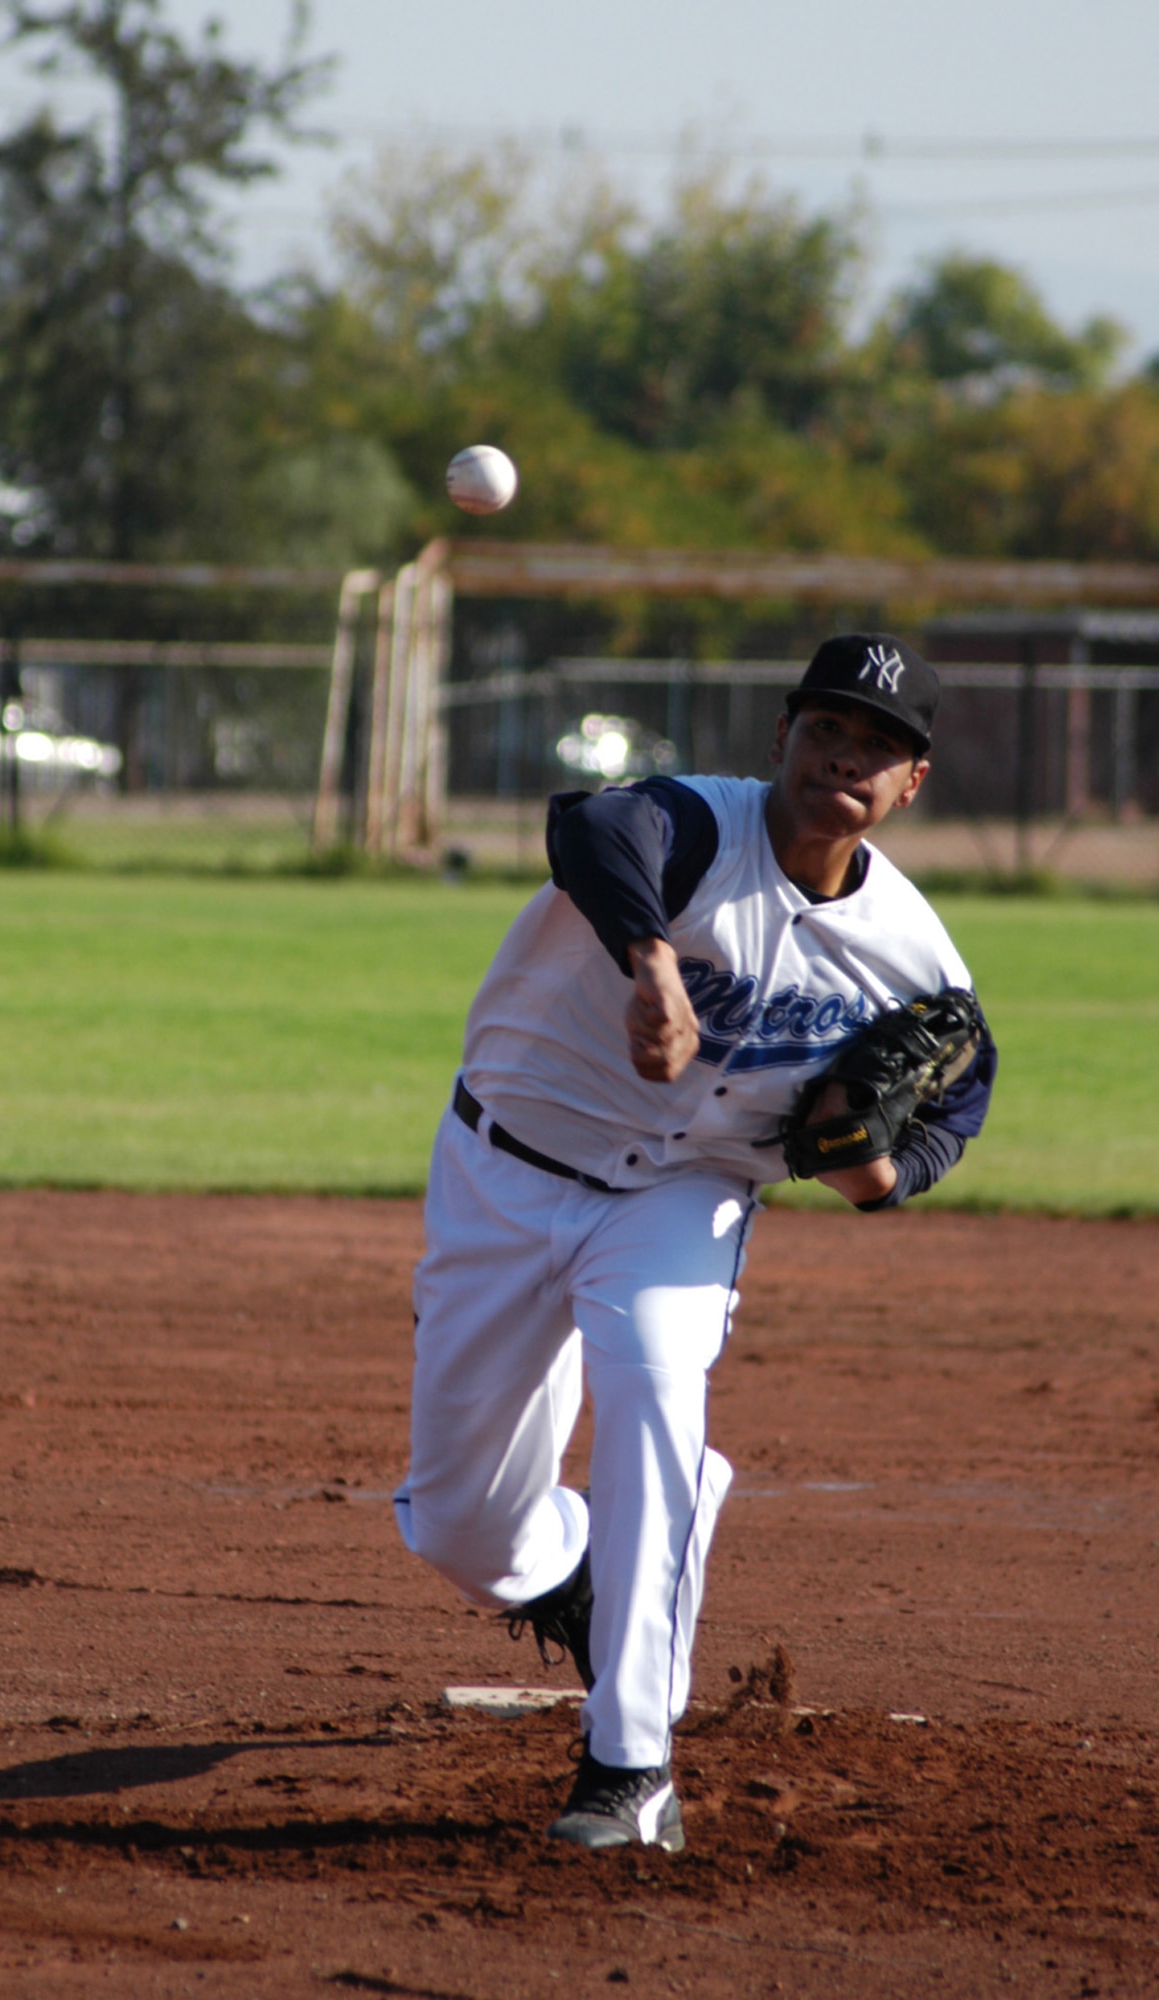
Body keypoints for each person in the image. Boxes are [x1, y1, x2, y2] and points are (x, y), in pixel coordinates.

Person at [393, 633, 996, 1851]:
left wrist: (867, 1162)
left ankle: (627, 1766)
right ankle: (582, 1574)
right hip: (506, 1168)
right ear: (781, 736)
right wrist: (651, 958)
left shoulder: (912, 958)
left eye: (876, 744)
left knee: (657, 1394)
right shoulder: (686, 825)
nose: (845, 755)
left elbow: (946, 1115)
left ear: (909, 781)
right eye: (826, 727)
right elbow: (589, 832)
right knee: (458, 1523)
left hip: (682, 1195)